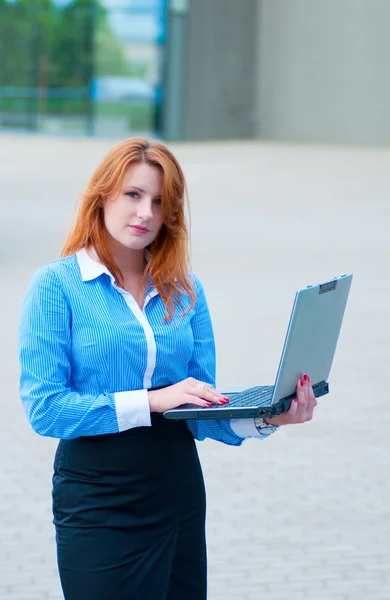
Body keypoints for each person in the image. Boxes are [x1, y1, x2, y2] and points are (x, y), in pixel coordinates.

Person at [18, 137, 317, 600]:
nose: (145, 213)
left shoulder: (185, 290)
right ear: (102, 196)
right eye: (133, 195)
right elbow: (46, 409)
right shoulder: (57, 286)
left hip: (176, 490)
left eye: (159, 202)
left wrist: (270, 417)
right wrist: (153, 400)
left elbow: (201, 409)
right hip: (99, 498)